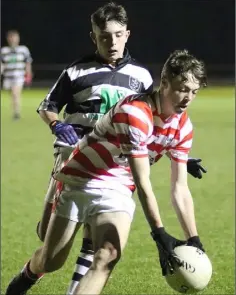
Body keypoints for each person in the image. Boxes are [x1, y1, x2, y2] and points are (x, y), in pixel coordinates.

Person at [6, 49, 207, 295]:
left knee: (108, 255)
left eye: (194, 92)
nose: (187, 98)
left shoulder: (183, 127)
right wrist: (159, 234)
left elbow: (180, 188)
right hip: (81, 179)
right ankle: (28, 274)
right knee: (51, 261)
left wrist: (194, 238)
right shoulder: (135, 112)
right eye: (181, 89)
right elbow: (144, 182)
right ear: (164, 83)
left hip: (118, 187)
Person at [1, 30, 33, 120]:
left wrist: (28, 74)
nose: (13, 40)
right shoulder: (4, 51)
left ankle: (16, 113)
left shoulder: (23, 49)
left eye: (15, 37)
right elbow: (2, 64)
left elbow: (28, 62)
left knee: (15, 93)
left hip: (18, 76)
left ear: (18, 39)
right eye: (11, 38)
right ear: (8, 39)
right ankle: (15, 109)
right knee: (12, 95)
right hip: (8, 77)